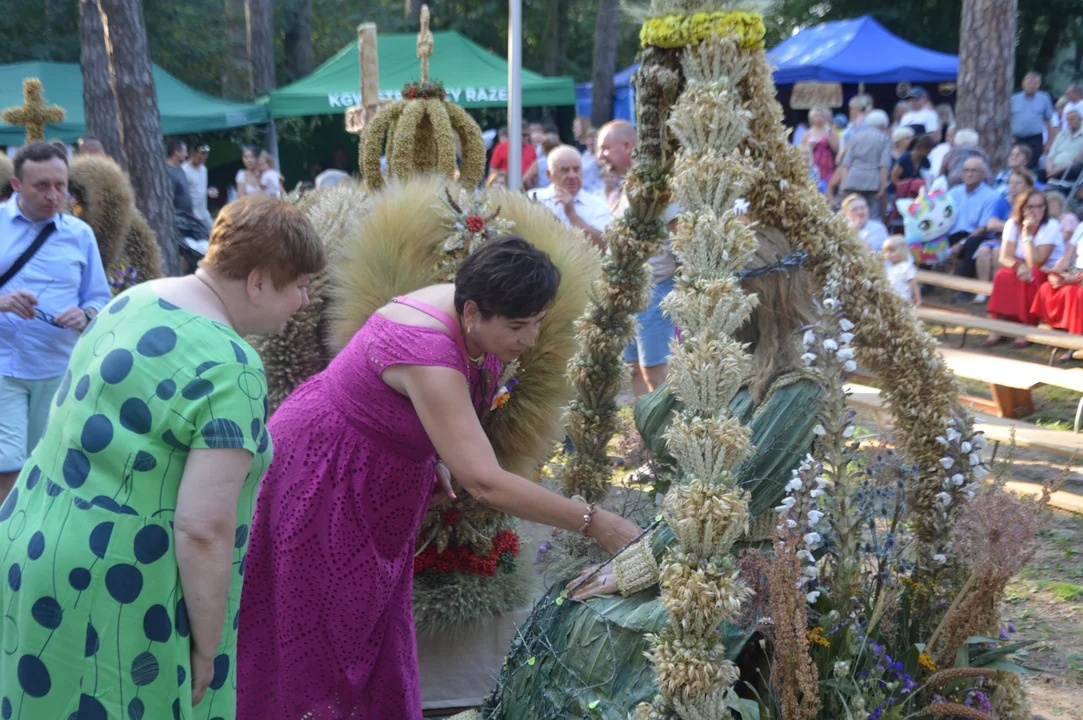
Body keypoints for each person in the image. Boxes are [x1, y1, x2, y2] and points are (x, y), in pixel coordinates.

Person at [235, 236, 640, 718]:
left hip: (369, 478)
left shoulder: (470, 302)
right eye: (517, 326)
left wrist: (437, 451)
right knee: (324, 640)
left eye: (537, 322)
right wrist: (597, 522)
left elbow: (412, 407)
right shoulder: (427, 350)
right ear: (471, 313)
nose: (529, 340)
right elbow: (484, 481)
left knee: (367, 633)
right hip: (323, 477)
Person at [0, 194, 325, 719]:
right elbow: (202, 530)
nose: (306, 302)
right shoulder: (232, 367)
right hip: (119, 585)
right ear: (259, 281)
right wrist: (207, 644)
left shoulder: (136, 299)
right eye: (302, 286)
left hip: (31, 544)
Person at [488, 229, 823, 719]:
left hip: (732, 569)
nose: (686, 305)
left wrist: (629, 568)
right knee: (573, 610)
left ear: (751, 302)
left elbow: (718, 506)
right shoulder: (729, 371)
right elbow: (658, 423)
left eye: (701, 296)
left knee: (596, 629)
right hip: (681, 545)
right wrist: (699, 356)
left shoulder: (796, 392)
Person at [0, 141, 112, 500]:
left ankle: (33, 542)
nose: (53, 196)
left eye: (60, 186)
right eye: (41, 186)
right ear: (17, 185)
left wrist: (85, 314)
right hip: (4, 367)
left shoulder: (80, 235)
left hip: (59, 368)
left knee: (46, 461)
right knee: (8, 460)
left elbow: (99, 298)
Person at [599, 119, 680, 398]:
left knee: (655, 372)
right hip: (631, 293)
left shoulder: (656, 185)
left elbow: (679, 231)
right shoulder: (627, 186)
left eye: (605, 148)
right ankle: (644, 435)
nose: (601, 156)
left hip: (656, 290)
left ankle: (667, 437)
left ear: (627, 146)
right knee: (634, 369)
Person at [985, 188, 1063, 347]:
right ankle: (999, 324)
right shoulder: (1012, 224)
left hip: (1049, 270)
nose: (1036, 211)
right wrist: (1017, 265)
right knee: (1002, 275)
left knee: (1032, 274)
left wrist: (1027, 234)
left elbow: (1036, 262)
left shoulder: (1051, 226)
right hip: (1022, 265)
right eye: (1031, 207)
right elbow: (1004, 256)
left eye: (1040, 206)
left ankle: (1027, 325)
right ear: (1022, 208)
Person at [528, 145, 612, 249]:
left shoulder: (597, 204)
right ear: (549, 175)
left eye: (576, 169)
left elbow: (606, 246)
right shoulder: (533, 199)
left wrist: (572, 215)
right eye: (564, 170)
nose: (572, 176)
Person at [975, 169, 1038, 303]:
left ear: (1028, 186)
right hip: (998, 238)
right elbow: (991, 225)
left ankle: (999, 289)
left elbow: (1027, 227)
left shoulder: (1031, 205)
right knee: (983, 250)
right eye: (1010, 183)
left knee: (998, 251)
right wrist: (1012, 225)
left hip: (1019, 242)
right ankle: (982, 290)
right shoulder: (1002, 202)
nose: (1012, 186)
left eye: (1017, 183)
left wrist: (1007, 225)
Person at [1031, 221, 1083, 355]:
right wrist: (1054, 273)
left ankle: (1075, 342)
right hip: (1075, 271)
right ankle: (1058, 332)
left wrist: (1075, 278)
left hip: (1079, 277)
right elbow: (1067, 257)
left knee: (1076, 292)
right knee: (1047, 288)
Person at [947, 157, 1000, 284]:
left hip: (975, 235)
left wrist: (962, 243)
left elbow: (983, 229)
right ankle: (926, 283)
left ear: (983, 174)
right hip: (952, 234)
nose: (969, 174)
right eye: (966, 170)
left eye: (974, 170)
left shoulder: (991, 196)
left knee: (973, 242)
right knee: (929, 237)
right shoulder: (953, 192)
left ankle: (965, 284)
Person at [834, 109, 892, 218]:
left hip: (853, 179)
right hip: (873, 181)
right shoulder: (884, 139)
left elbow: (846, 164)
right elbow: (884, 165)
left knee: (851, 213)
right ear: (882, 125)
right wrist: (883, 186)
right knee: (873, 215)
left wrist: (844, 184)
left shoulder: (856, 137)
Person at [1011, 71, 1056, 170]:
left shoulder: (1044, 98)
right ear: (1023, 84)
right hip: (1018, 139)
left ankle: (1030, 183)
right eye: (1029, 83)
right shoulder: (1014, 99)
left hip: (1035, 139)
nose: (1031, 85)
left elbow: (1049, 121)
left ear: (1038, 85)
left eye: (1035, 83)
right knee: (1017, 164)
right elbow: (1008, 120)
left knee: (1032, 165)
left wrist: (1049, 142)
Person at [1044, 108, 1083, 186]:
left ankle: (1061, 193)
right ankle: (1039, 193)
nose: (1069, 122)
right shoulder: (1061, 135)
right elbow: (1050, 156)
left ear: (1080, 119)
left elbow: (1078, 161)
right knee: (1041, 172)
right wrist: (1049, 169)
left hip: (1070, 168)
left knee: (1071, 171)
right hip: (1054, 169)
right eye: (1068, 120)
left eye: (1072, 119)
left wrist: (1059, 170)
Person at [183, 143, 218, 228]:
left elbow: (199, 188)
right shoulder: (184, 171)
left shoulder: (203, 169)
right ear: (192, 154)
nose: (204, 156)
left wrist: (208, 191)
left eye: (205, 154)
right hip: (191, 215)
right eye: (201, 154)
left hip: (203, 213)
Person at [802, 107, 838, 185]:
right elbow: (802, 150)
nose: (819, 118)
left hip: (827, 166)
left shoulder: (830, 131)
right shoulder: (807, 133)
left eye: (822, 116)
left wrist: (829, 139)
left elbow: (837, 149)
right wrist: (810, 147)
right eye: (817, 116)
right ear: (812, 118)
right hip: (813, 165)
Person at [883, 235, 921, 305]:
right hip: (889, 299)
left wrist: (917, 299)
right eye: (886, 251)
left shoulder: (906, 267)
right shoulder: (889, 267)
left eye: (892, 251)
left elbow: (913, 283)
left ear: (902, 251)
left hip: (902, 300)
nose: (888, 254)